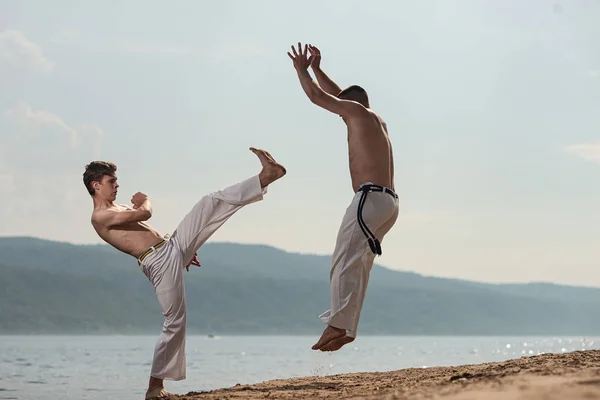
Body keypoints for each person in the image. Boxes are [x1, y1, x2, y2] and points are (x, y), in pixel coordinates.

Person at [83, 147, 286, 399]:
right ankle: (154, 388)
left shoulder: (117, 208)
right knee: (174, 322)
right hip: (158, 261)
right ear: (96, 185)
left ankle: (265, 177)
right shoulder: (101, 216)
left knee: (209, 202)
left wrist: (185, 250)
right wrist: (144, 199)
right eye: (111, 181)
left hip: (170, 248)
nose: (117, 185)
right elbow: (146, 212)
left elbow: (147, 231)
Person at [287, 42, 400, 352]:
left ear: (350, 105)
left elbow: (318, 97)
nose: (339, 113)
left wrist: (301, 70)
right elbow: (338, 97)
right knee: (358, 265)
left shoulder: (356, 113)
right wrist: (318, 69)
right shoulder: (375, 120)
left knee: (342, 262)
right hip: (389, 203)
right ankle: (346, 327)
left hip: (370, 199)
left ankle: (338, 325)